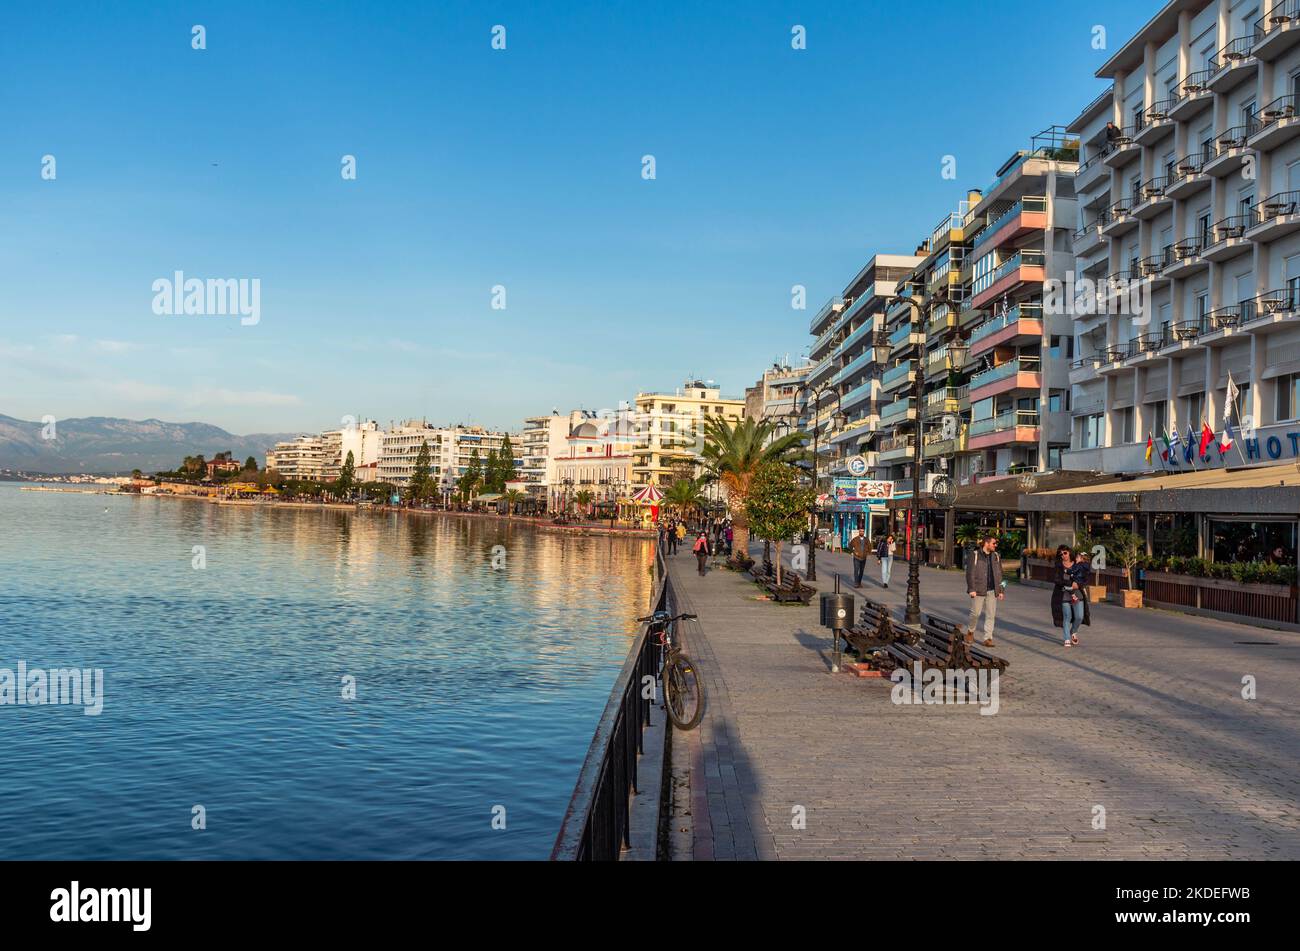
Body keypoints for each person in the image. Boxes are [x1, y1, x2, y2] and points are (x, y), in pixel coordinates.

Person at [964, 534, 1005, 647]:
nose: (995, 545)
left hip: (992, 591)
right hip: (978, 590)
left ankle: (988, 638)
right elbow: (970, 573)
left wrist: (1001, 590)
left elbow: (1000, 574)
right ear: (986, 543)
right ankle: (970, 631)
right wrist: (971, 589)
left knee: (991, 615)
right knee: (975, 613)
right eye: (993, 543)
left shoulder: (996, 556)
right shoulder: (975, 555)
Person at [1051, 545, 1090, 648]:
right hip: (1063, 594)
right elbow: (1056, 579)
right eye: (1061, 554)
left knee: (1079, 616)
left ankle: (1073, 631)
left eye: (1065, 553)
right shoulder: (1058, 565)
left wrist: (1078, 584)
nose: (1063, 555)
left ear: (1069, 553)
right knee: (1067, 616)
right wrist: (1069, 584)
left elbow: (1086, 579)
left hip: (1077, 594)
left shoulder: (1078, 564)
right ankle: (1067, 638)